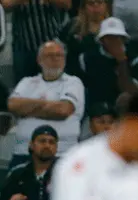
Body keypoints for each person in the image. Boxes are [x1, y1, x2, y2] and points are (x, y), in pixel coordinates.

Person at [7, 41, 84, 169]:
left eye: (59, 55)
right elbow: (13, 105)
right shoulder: (27, 82)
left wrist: (28, 108)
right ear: (39, 60)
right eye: (49, 55)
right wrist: (50, 106)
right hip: (24, 152)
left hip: (62, 154)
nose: (55, 59)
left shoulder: (73, 82)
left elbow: (62, 110)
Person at [1, 0, 70, 81]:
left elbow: (67, 3)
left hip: (51, 42)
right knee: (24, 85)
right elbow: (5, 5)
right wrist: (18, 0)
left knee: (56, 83)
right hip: (23, 44)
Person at [79, 17, 138, 109]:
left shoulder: (137, 60)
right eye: (109, 37)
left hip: (127, 113)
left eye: (117, 37)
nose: (113, 41)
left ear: (124, 39)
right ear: (101, 40)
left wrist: (122, 61)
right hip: (97, 112)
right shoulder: (87, 58)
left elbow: (131, 92)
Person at [59, 0, 108, 80]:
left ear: (105, 5)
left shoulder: (113, 27)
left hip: (103, 77)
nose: (95, 6)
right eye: (91, 3)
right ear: (84, 7)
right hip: (74, 77)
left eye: (99, 2)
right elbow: (59, 48)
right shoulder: (72, 26)